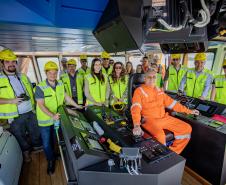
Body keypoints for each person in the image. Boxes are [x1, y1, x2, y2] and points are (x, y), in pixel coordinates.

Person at [131, 69, 199, 154]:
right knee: (160, 136)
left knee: (186, 128)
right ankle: (162, 157)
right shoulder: (139, 91)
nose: (152, 79)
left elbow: (172, 103)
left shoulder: (159, 90)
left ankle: (173, 153)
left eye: (154, 77)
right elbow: (135, 108)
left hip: (164, 118)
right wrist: (136, 125)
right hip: (150, 120)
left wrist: (188, 111)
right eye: (149, 77)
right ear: (145, 78)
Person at [35, 61, 83, 175]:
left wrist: (76, 106)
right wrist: (52, 115)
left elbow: (66, 97)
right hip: (45, 120)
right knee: (46, 143)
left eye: (55, 72)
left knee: (55, 139)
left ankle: (54, 154)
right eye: (50, 73)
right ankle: (50, 160)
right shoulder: (40, 87)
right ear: (46, 73)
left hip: (57, 117)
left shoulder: (60, 83)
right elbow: (41, 104)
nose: (53, 75)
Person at [0, 49, 41, 162]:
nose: (11, 64)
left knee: (35, 130)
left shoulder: (23, 76)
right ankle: (26, 153)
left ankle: (37, 147)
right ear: (2, 63)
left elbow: (31, 92)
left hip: (30, 110)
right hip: (14, 115)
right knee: (19, 135)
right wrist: (11, 101)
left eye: (13, 61)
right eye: (7, 62)